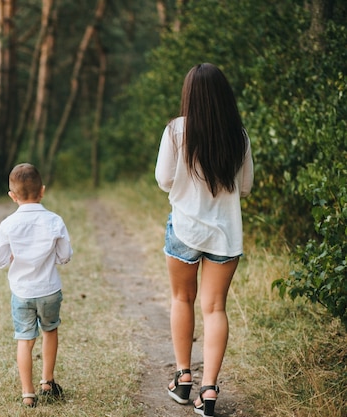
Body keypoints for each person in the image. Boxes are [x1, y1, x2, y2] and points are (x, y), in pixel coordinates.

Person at [155, 63, 254, 417]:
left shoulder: (176, 131)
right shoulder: (238, 136)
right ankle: (208, 391)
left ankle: (183, 380)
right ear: (224, 95)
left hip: (185, 229)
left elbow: (164, 179)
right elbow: (244, 187)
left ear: (189, 95)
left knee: (182, 298)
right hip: (225, 234)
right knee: (215, 309)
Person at [0, 163, 73, 408]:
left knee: (25, 340)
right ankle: (47, 382)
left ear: (12, 196)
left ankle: (28, 393)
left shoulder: (8, 225)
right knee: (50, 331)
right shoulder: (55, 221)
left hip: (22, 292)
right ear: (43, 191)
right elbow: (65, 255)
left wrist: (14, 257)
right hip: (49, 289)